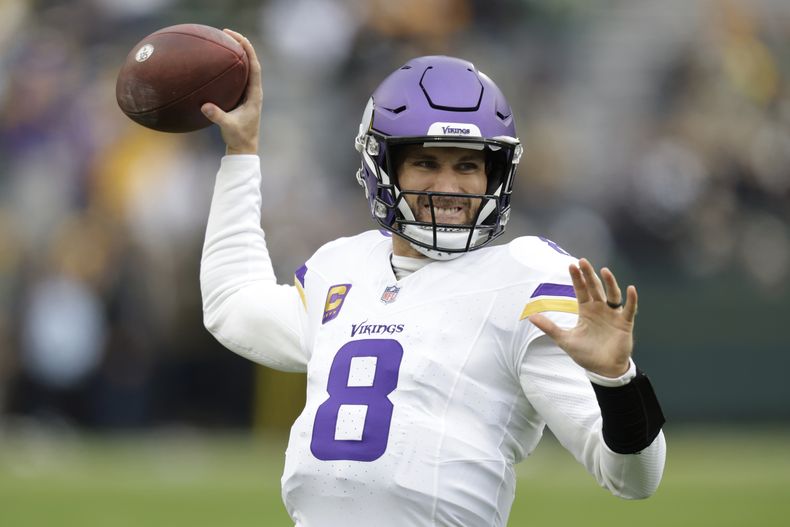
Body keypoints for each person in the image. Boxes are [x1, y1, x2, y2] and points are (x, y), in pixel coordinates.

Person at [200, 30, 666, 526]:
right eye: (425, 162)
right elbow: (232, 304)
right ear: (383, 168)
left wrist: (617, 382)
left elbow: (634, 479)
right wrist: (241, 151)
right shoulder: (342, 267)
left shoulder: (522, 278)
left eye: (468, 165)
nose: (449, 187)